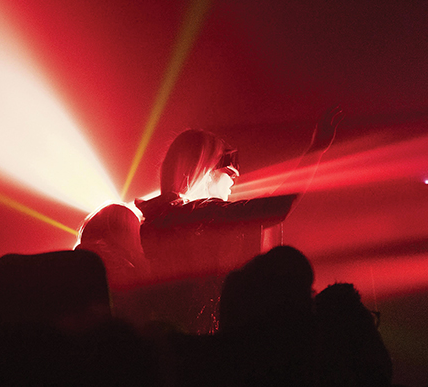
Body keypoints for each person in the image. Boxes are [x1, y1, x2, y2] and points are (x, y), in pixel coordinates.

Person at [136, 106, 343, 280]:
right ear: (205, 170)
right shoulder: (201, 214)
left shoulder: (156, 219)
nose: (234, 179)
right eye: (228, 171)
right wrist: (316, 150)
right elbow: (276, 208)